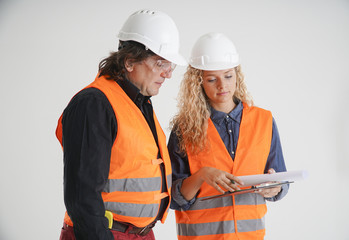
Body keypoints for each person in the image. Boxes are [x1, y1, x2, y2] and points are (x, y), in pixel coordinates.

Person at [55, 9, 186, 240]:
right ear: (129, 62)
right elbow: (83, 197)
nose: (168, 74)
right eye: (160, 63)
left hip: (140, 234)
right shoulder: (93, 104)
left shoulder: (139, 103)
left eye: (170, 65)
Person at [168, 32, 289, 240]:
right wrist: (202, 175)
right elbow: (173, 198)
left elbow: (280, 178)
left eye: (228, 76)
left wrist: (275, 188)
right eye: (212, 79)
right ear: (199, 82)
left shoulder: (264, 120)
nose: (222, 86)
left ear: (237, 74)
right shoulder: (185, 128)